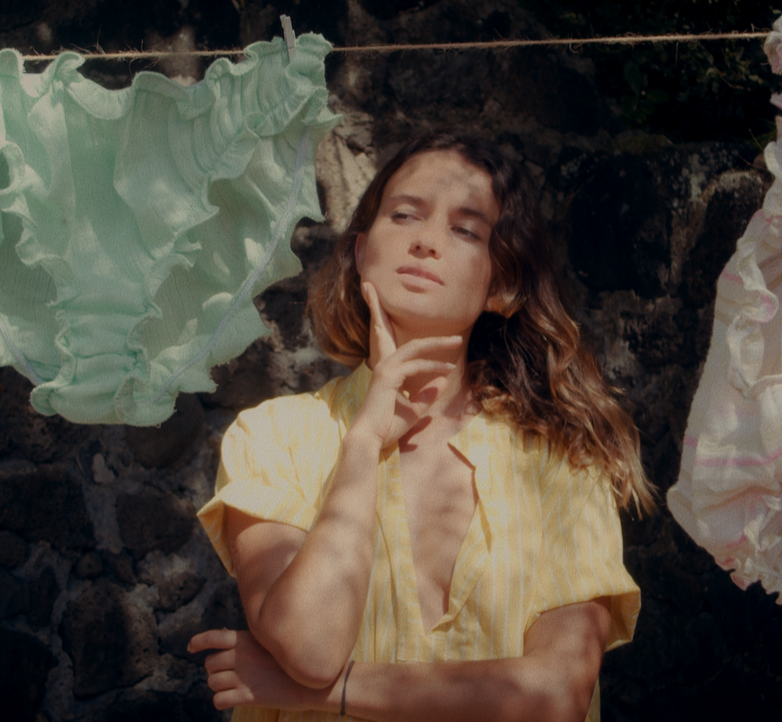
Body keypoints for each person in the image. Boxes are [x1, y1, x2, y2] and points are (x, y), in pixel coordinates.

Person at [189, 133, 654, 721]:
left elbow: (555, 696)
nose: (425, 242)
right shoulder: (273, 437)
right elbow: (309, 647)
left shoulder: (563, 459)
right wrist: (361, 445)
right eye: (404, 214)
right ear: (360, 252)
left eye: (466, 230)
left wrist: (324, 693)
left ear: (501, 283)